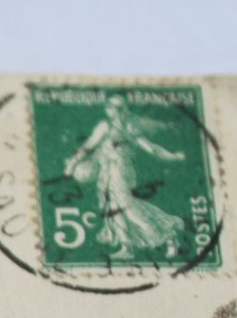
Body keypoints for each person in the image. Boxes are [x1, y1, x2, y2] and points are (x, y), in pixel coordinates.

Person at [62, 94, 188, 261]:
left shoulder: (127, 127)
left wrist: (172, 156)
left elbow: (150, 148)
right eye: (113, 108)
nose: (115, 111)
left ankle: (168, 234)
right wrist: (73, 163)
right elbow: (88, 147)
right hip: (106, 169)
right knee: (112, 207)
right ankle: (126, 246)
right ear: (108, 109)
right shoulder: (108, 126)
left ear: (121, 110)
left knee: (127, 206)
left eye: (118, 108)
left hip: (119, 169)